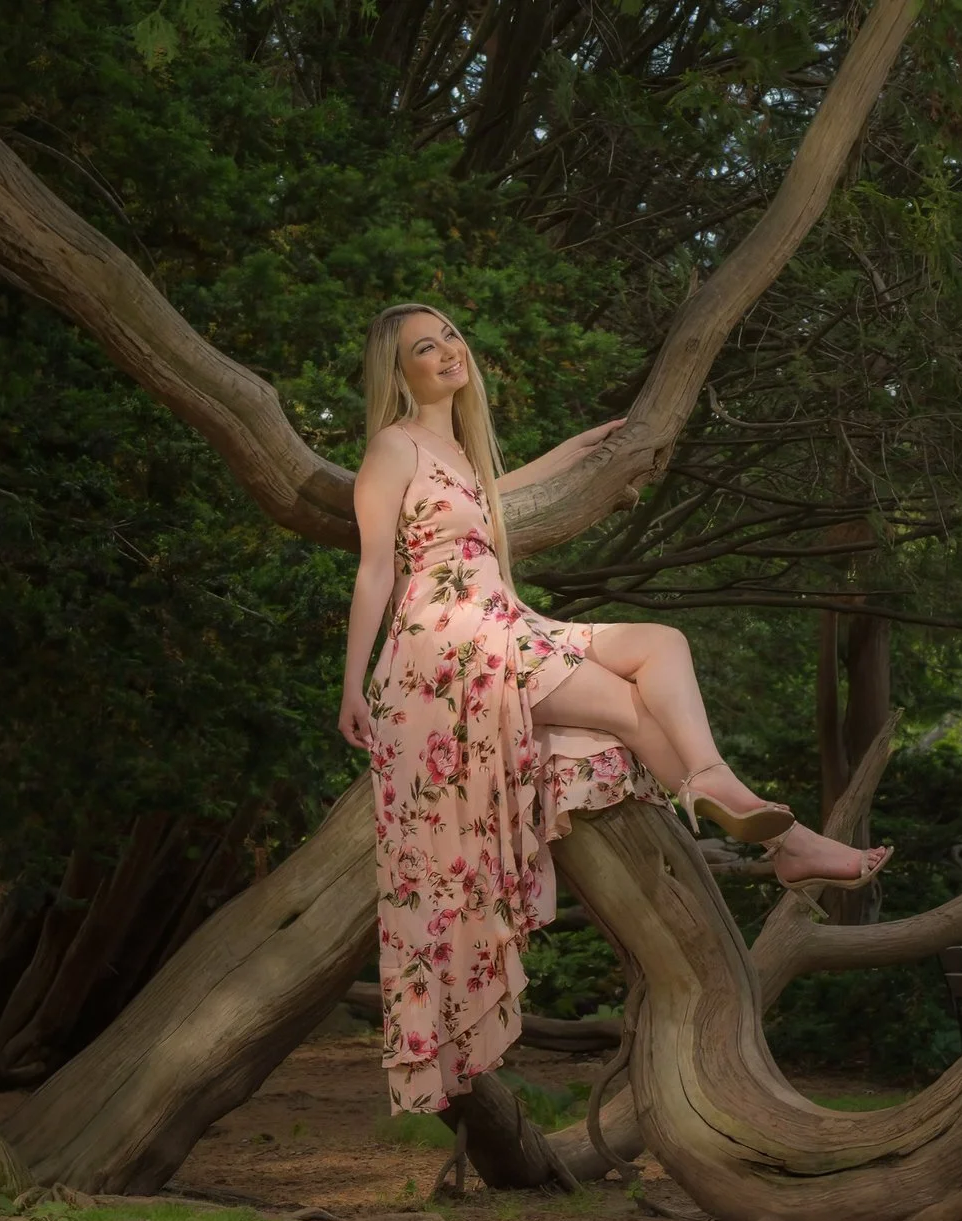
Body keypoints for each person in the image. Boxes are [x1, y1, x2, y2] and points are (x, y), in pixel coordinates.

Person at [337, 302, 890, 1114]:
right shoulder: (392, 446)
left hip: (500, 628)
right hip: (448, 649)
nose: (448, 349)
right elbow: (375, 570)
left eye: (451, 334)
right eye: (427, 346)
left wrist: (583, 450)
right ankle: (753, 814)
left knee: (649, 675)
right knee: (644, 677)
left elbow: (496, 491)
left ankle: (764, 824)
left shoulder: (455, 451)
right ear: (399, 369)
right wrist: (353, 684)